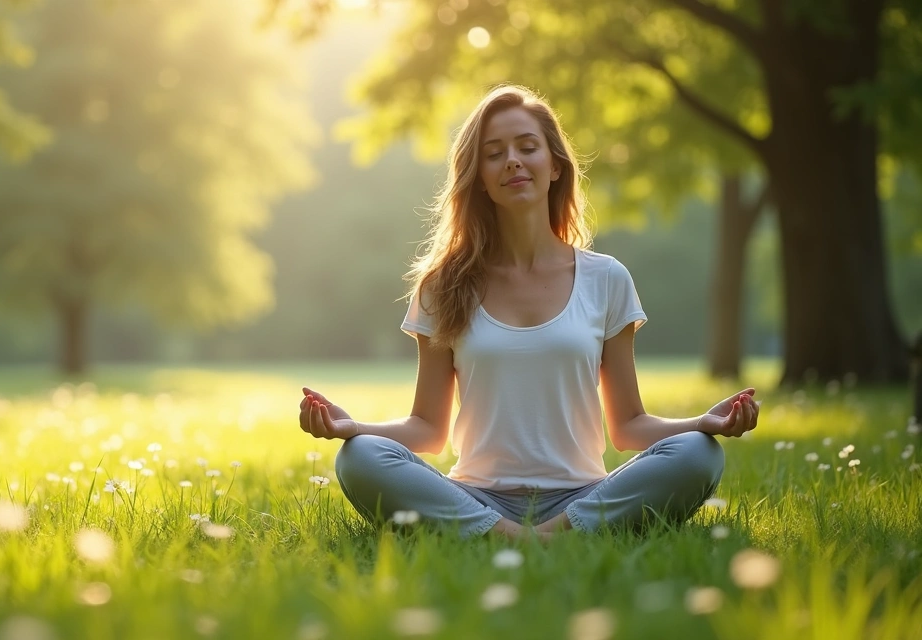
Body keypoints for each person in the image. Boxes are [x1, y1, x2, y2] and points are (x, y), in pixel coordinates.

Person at [296, 85, 761, 540]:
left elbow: (629, 426)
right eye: (494, 153)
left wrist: (704, 423)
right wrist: (350, 427)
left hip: (582, 495)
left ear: (555, 166)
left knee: (700, 455)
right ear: (478, 176)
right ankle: (519, 534)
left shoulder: (606, 278)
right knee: (359, 458)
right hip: (477, 497)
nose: (513, 160)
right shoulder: (444, 285)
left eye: (527, 147)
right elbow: (427, 429)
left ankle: (537, 534)